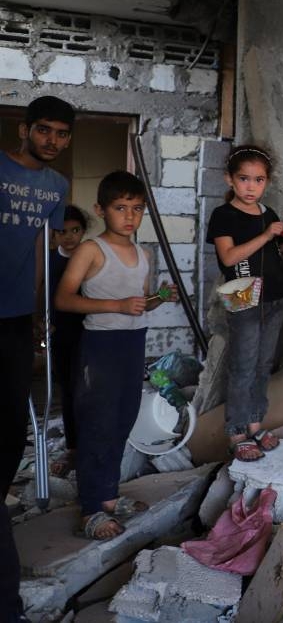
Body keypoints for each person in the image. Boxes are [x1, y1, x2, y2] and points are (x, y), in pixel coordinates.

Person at [55, 171, 178, 540]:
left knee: (122, 421)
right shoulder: (91, 249)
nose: (129, 216)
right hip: (101, 347)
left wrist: (159, 298)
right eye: (120, 207)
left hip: (132, 344)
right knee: (98, 425)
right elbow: (63, 299)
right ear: (101, 210)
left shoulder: (142, 254)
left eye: (137, 208)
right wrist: (117, 304)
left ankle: (108, 497)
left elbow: (138, 306)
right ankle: (91, 509)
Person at [0, 95, 74, 622]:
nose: (51, 141)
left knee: (10, 425)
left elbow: (43, 252)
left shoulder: (56, 187)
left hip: (15, 321)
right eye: (43, 131)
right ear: (24, 129)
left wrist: (39, 310)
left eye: (61, 134)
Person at [207, 145, 283, 462]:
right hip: (243, 297)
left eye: (258, 180)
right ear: (229, 180)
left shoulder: (268, 214)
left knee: (263, 365)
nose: (251, 186)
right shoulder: (224, 216)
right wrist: (265, 236)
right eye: (244, 179)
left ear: (267, 182)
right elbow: (230, 257)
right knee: (243, 367)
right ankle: (236, 432)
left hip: (275, 297)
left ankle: (255, 426)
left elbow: (267, 258)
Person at [48, 204, 89, 478]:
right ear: (54, 234)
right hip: (60, 333)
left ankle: (90, 444)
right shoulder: (49, 260)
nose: (70, 237)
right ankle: (74, 447)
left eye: (76, 230)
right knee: (68, 389)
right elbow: (44, 294)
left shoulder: (91, 258)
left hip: (90, 331)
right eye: (63, 231)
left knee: (89, 390)